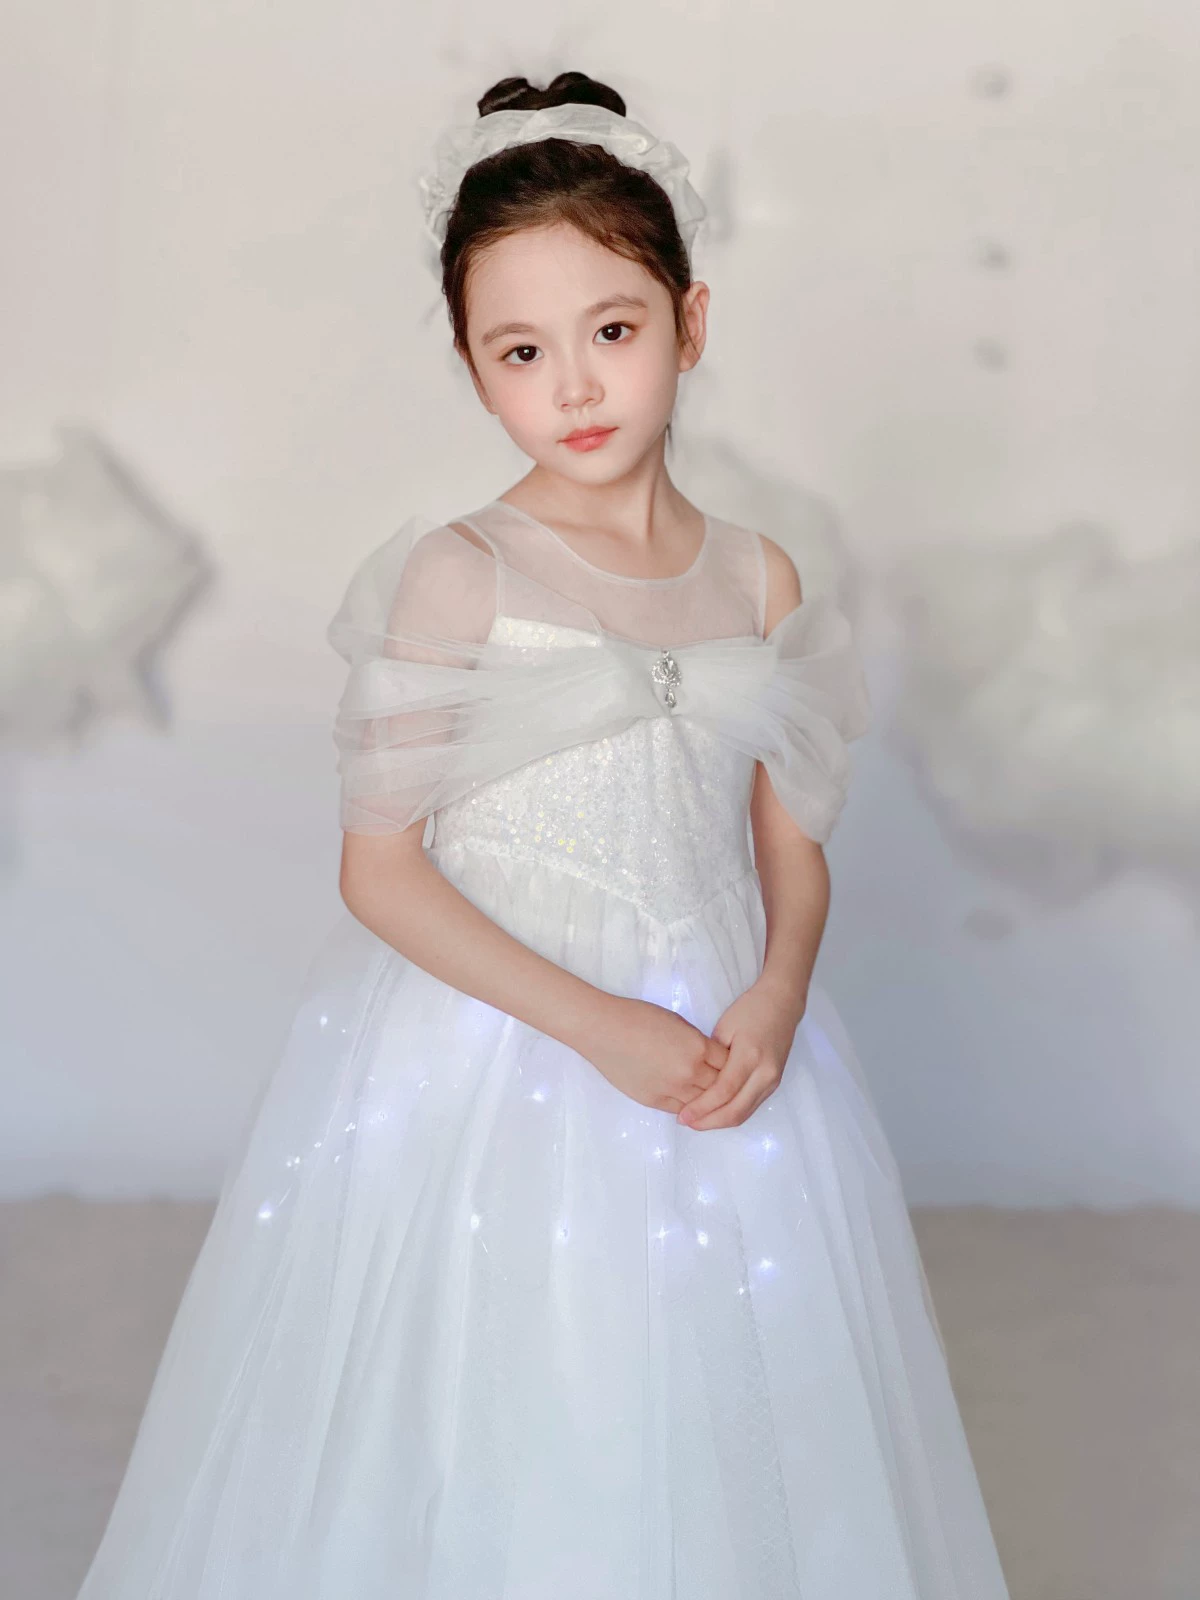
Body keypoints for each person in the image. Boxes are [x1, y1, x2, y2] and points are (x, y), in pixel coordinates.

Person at [75, 69, 1012, 1600]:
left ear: (689, 324)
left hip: (718, 1042)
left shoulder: (760, 579)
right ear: (473, 368)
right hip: (500, 1051)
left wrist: (776, 994)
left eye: (612, 332)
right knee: (518, 1377)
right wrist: (601, 1028)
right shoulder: (463, 575)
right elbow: (379, 871)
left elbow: (791, 843)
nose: (574, 386)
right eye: (521, 351)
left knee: (717, 1395)